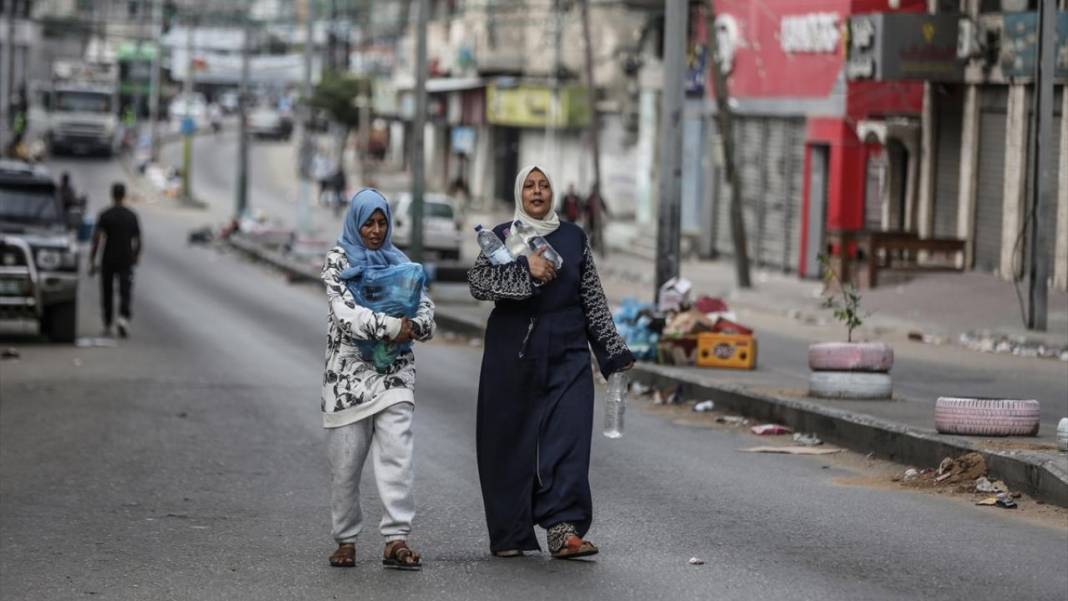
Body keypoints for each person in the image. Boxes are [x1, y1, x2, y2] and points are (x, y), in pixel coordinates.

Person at [467, 165, 634, 559]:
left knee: (569, 439)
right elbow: (477, 283)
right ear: (518, 192)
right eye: (529, 185)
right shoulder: (503, 237)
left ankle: (564, 530)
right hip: (513, 354)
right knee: (508, 444)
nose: (538, 191)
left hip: (568, 353)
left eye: (544, 185)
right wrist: (526, 270)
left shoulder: (574, 238)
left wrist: (613, 353)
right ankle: (509, 532)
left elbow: (592, 298)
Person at [320, 188, 435, 571]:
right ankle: (346, 539)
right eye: (368, 222)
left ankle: (396, 538)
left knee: (397, 455)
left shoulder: (399, 262)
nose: (374, 230)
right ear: (355, 222)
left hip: (394, 373)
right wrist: (393, 327)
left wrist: (415, 326)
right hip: (348, 378)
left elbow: (426, 308)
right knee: (346, 465)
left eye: (381, 222)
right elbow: (344, 314)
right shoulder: (337, 260)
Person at [89, 183, 141, 338]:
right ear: (124, 195)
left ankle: (107, 322)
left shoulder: (105, 215)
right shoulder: (131, 216)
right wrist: (136, 256)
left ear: (112, 195)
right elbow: (138, 239)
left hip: (108, 258)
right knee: (125, 290)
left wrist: (92, 260)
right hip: (126, 258)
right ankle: (123, 318)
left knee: (107, 291)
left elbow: (97, 239)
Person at [585, 185, 609, 254]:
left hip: (598, 218)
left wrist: (605, 214)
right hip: (591, 218)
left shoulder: (599, 197)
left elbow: (604, 206)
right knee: (591, 232)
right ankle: (593, 244)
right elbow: (585, 207)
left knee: (597, 232)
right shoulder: (590, 197)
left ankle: (597, 245)